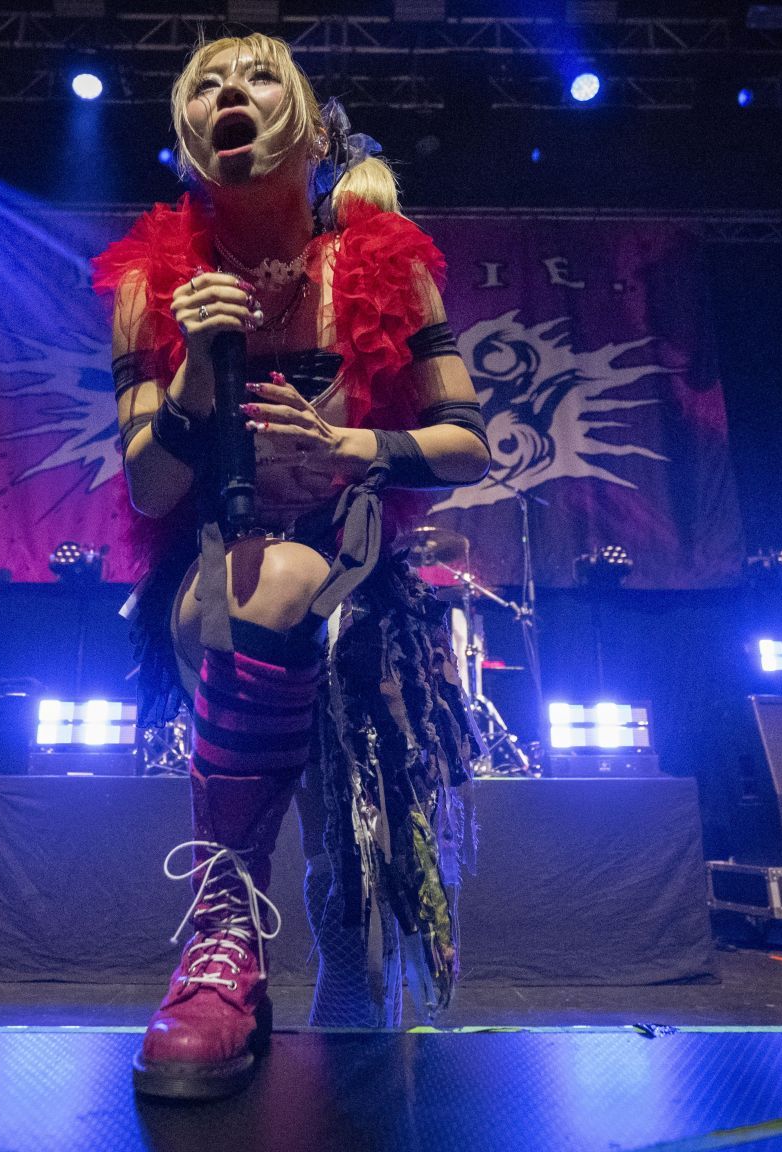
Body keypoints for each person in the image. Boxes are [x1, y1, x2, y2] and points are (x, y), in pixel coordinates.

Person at [92, 33, 490, 1100]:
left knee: (345, 841)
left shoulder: (384, 262)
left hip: (357, 571)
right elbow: (149, 491)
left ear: (311, 129)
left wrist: (352, 448)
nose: (230, 89)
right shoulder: (150, 284)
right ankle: (224, 932)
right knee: (263, 584)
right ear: (183, 137)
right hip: (215, 574)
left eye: (259, 74)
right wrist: (191, 388)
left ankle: (329, 971)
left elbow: (468, 444)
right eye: (205, 82)